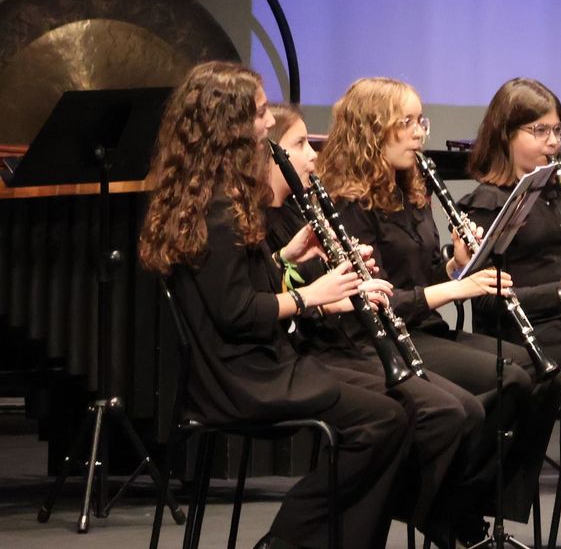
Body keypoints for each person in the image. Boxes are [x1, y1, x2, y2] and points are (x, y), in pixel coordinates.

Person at [137, 62, 409, 549]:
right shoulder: (218, 208)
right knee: (385, 420)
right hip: (242, 379)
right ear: (231, 124)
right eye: (260, 112)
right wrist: (311, 296)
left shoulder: (210, 195)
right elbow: (237, 311)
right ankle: (288, 539)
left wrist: (286, 256)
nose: (268, 123)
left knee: (395, 402)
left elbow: (229, 284)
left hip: (251, 364)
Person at [318, 77, 561, 529]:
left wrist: (457, 265)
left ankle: (469, 505)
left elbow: (428, 274)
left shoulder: (408, 187)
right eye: (405, 123)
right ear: (371, 130)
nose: (418, 133)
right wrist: (453, 290)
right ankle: (443, 510)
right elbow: (375, 300)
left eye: (419, 122)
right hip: (380, 340)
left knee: (538, 376)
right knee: (511, 379)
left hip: (424, 329)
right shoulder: (347, 201)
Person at [263, 102, 490, 545]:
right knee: (425, 415)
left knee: (463, 409)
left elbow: (404, 279)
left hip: (347, 341)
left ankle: (435, 514)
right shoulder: (267, 218)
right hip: (314, 352)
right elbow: (267, 300)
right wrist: (323, 290)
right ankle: (422, 517)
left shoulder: (306, 209)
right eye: (300, 146)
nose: (313, 156)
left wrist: (455, 268)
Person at [458, 77, 561, 374]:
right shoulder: (489, 203)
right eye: (540, 130)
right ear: (505, 135)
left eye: (557, 130)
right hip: (526, 331)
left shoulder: (556, 192)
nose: (554, 141)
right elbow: (485, 301)